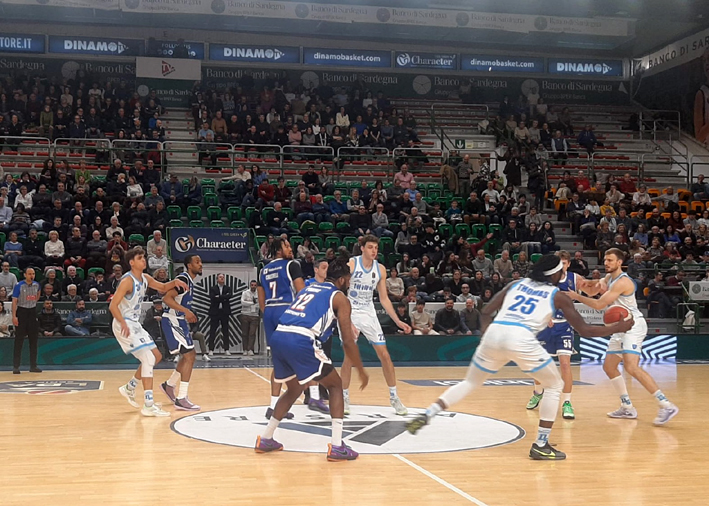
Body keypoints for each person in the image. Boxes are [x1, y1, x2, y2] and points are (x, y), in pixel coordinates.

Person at [407, 255, 634, 460]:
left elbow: (485, 311)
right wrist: (618, 327)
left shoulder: (516, 283)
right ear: (554, 274)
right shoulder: (557, 295)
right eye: (560, 272)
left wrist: (487, 337)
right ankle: (541, 444)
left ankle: (429, 413)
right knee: (554, 385)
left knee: (470, 382)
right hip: (521, 338)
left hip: (495, 333)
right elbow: (585, 330)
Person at [254, 255, 368, 461]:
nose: (350, 284)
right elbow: (348, 341)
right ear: (342, 279)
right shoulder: (340, 298)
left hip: (279, 335)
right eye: (349, 280)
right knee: (335, 385)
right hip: (300, 339)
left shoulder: (309, 288)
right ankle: (337, 446)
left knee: (295, 389)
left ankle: (266, 438)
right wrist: (361, 369)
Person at [565, 248, 680, 426]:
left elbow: (599, 304)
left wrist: (576, 297)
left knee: (631, 367)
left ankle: (666, 404)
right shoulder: (608, 278)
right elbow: (593, 291)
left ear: (619, 262)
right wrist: (582, 284)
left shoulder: (623, 282)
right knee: (609, 367)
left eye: (610, 260)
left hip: (633, 325)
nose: (606, 263)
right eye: (605, 260)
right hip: (620, 326)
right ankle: (627, 407)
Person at [111, 247, 188, 417]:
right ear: (132, 262)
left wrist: (175, 282)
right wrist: (123, 323)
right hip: (124, 323)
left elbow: (162, 287)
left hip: (134, 324)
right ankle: (148, 404)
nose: (144, 260)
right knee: (148, 359)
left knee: (156, 356)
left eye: (144, 257)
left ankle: (130, 387)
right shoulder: (127, 281)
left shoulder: (145, 278)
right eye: (140, 258)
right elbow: (112, 305)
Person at [341, 235, 411, 416]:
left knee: (385, 355)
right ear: (362, 248)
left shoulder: (380, 269)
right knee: (349, 356)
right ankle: (344, 396)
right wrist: (347, 320)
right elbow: (339, 292)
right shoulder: (351, 265)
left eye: (376, 248)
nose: (374, 251)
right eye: (370, 247)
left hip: (369, 312)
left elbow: (384, 299)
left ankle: (394, 397)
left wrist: (398, 321)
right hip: (350, 310)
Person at [526, 250, 586, 420]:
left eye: (564, 264)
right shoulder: (544, 280)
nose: (561, 267)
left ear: (569, 264)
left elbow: (592, 291)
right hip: (546, 326)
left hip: (565, 326)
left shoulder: (575, 279)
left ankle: (567, 402)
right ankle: (538, 392)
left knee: (565, 365)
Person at [257, 237, 305, 419]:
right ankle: (312, 395)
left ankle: (273, 406)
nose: (291, 249)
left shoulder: (263, 269)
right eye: (287, 246)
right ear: (278, 249)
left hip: (270, 312)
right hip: (286, 310)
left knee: (278, 360)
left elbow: (261, 300)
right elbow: (302, 293)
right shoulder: (292, 265)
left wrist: (270, 313)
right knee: (298, 357)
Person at [160, 254, 203, 411]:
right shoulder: (183, 280)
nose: (200, 264)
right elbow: (167, 299)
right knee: (190, 356)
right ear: (189, 265)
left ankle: (169, 385)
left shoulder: (189, 281)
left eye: (201, 261)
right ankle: (181, 398)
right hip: (173, 320)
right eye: (197, 262)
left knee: (188, 356)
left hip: (179, 320)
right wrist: (186, 311)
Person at [12, 267, 42, 374]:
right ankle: (16, 366)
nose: (31, 275)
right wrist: (14, 316)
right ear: (25, 275)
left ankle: (33, 366)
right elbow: (14, 301)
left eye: (33, 273)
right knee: (19, 340)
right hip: (22, 312)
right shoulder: (19, 285)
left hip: (32, 312)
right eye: (29, 274)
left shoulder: (37, 285)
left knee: (33, 340)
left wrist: (32, 302)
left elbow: (38, 295)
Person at [208, 273, 232, 354]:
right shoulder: (213, 288)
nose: (222, 278)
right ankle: (211, 349)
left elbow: (229, 296)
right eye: (220, 277)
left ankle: (226, 349)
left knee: (225, 331)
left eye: (223, 277)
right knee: (212, 331)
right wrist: (224, 297)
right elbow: (212, 298)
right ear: (217, 279)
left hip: (224, 312)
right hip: (215, 312)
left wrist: (219, 297)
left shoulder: (227, 288)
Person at [240, 280, 259, 355]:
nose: (253, 286)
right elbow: (242, 303)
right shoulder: (245, 293)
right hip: (245, 314)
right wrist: (252, 303)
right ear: (250, 285)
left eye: (255, 285)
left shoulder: (259, 293)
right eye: (252, 285)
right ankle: (245, 349)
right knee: (244, 333)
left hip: (255, 315)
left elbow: (259, 304)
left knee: (252, 333)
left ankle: (250, 349)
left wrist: (248, 303)